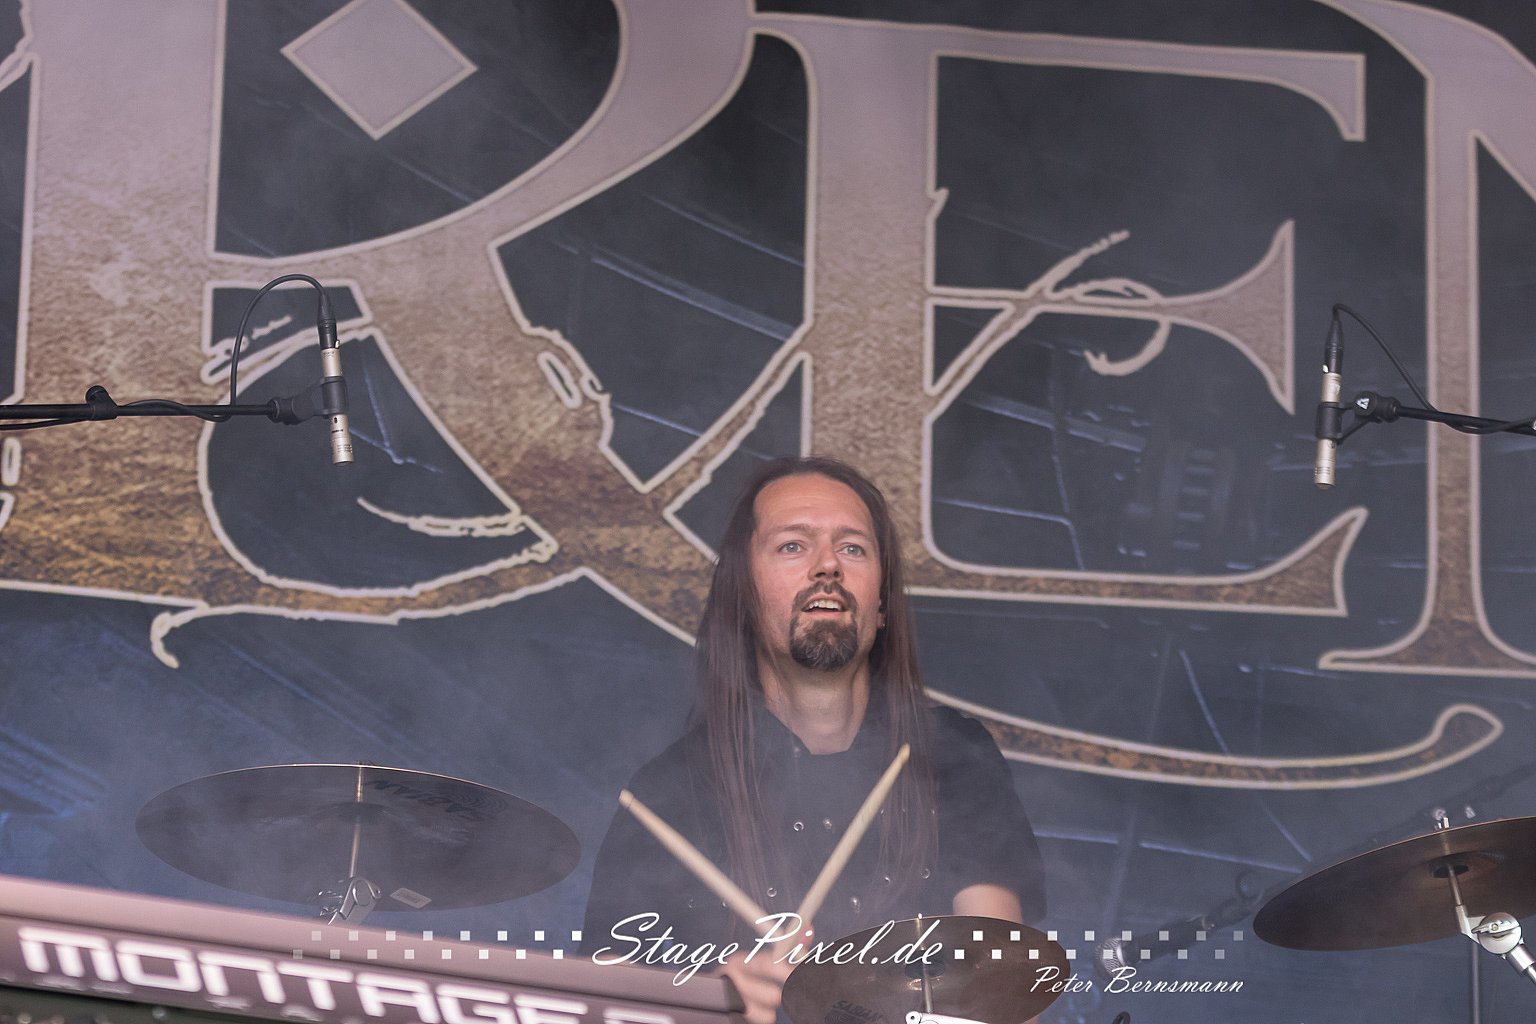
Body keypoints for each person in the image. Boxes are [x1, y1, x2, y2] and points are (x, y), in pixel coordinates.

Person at [582, 456, 1045, 1023]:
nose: (828, 565)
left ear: (881, 605)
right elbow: (604, 1004)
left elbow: (1003, 995)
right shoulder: (667, 792)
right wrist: (708, 1003)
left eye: (853, 548)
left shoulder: (953, 755)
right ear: (744, 596)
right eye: (792, 546)